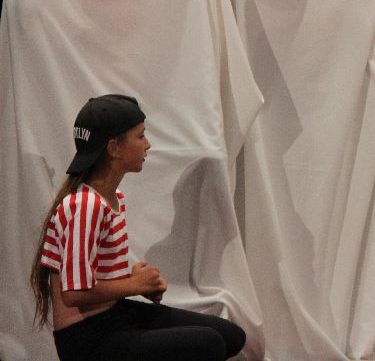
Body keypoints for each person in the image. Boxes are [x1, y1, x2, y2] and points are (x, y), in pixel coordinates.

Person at [30, 94, 246, 361]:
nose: (148, 144)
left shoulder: (113, 199)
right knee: (209, 344)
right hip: (86, 338)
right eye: (140, 136)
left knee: (231, 336)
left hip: (113, 314)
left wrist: (136, 283)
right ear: (114, 148)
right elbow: (74, 293)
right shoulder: (86, 206)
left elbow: (93, 276)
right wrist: (134, 285)